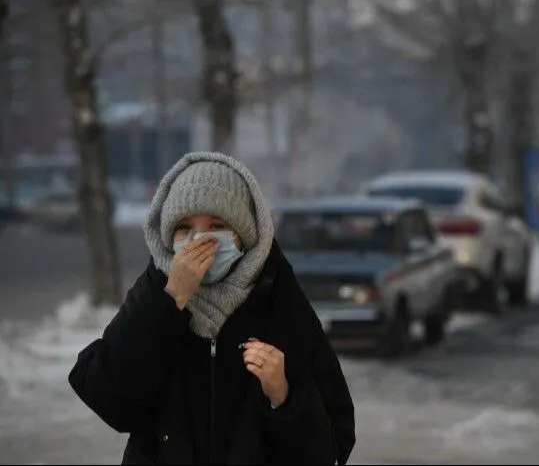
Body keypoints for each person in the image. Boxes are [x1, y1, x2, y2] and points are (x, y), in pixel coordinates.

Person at [68, 152, 356, 464]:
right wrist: (170, 299)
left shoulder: (277, 298)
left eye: (216, 224)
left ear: (243, 236)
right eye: (184, 227)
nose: (199, 239)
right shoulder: (154, 291)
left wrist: (284, 397)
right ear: (168, 236)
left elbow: (329, 452)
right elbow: (112, 401)